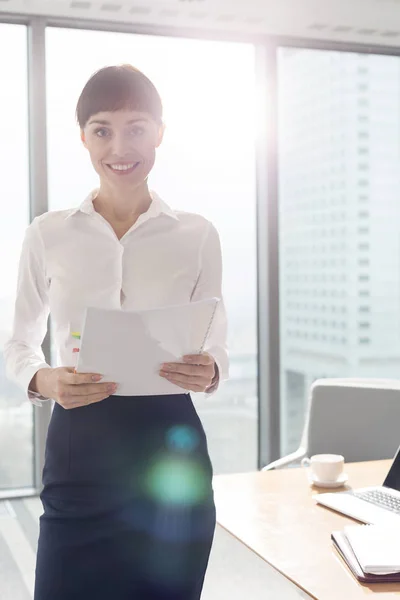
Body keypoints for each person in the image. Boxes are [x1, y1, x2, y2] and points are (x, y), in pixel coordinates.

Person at [4, 64, 228, 600]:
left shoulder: (197, 234)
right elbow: (16, 342)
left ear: (160, 134)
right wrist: (43, 380)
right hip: (81, 445)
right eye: (102, 129)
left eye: (136, 128)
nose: (119, 146)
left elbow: (216, 340)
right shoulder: (48, 233)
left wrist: (211, 367)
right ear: (83, 137)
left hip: (170, 449)